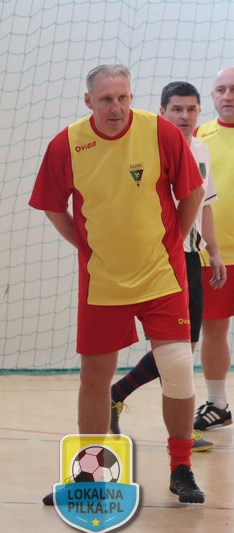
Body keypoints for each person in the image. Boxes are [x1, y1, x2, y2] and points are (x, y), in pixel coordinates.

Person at [30, 65, 206, 505]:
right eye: (106, 99)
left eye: (123, 98)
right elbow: (52, 206)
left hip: (161, 275)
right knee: (94, 377)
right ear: (88, 101)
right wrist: (85, 246)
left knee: (177, 368)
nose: (116, 107)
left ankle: (181, 468)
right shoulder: (67, 144)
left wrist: (174, 240)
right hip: (103, 281)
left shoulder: (160, 133)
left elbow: (192, 193)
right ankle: (89, 477)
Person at [109, 81, 225, 452]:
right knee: (174, 347)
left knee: (183, 346)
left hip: (190, 258)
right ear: (162, 112)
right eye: (177, 109)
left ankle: (117, 393)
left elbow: (205, 205)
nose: (184, 116)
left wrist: (214, 252)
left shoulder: (201, 148)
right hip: (156, 258)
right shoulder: (147, 148)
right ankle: (181, 430)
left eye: (191, 109)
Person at [193, 67, 234, 431]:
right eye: (221, 89)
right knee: (214, 331)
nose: (228, 96)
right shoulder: (199, 136)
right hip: (215, 257)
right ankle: (218, 404)